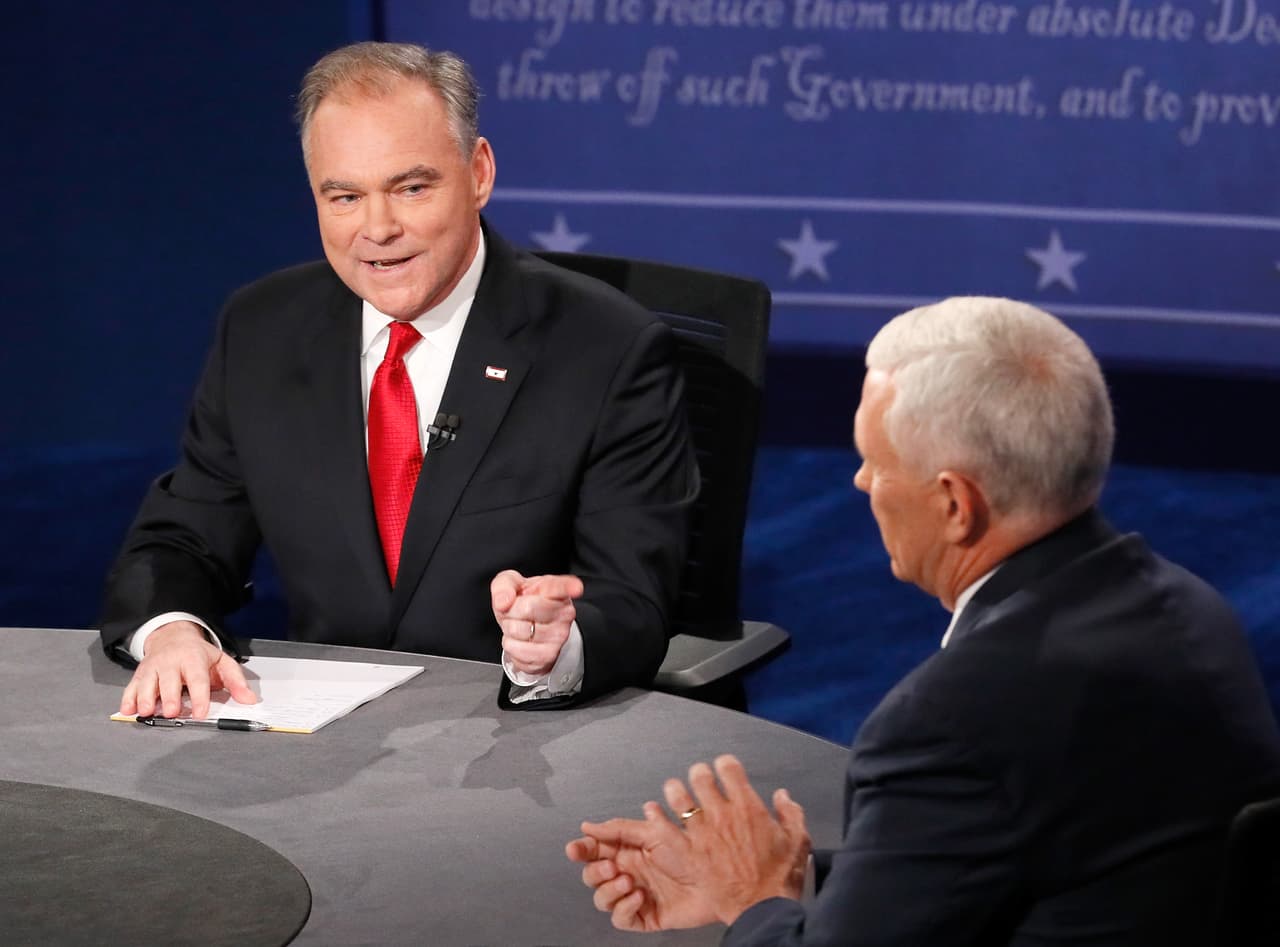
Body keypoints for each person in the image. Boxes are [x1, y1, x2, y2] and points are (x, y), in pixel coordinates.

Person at [566, 296, 1280, 945]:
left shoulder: (952, 718)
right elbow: (1025, 845)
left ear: (953, 504)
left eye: (876, 464)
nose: (861, 483)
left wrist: (756, 899)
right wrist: (786, 872)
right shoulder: (1191, 611)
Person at [99, 41, 697, 718]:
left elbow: (633, 596)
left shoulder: (607, 349)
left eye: (411, 187)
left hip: (516, 743)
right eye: (345, 196)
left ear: (478, 172)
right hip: (313, 745)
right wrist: (175, 629)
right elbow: (183, 539)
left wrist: (555, 646)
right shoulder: (261, 330)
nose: (377, 229)